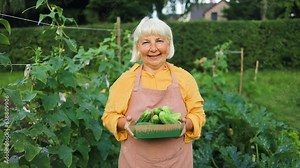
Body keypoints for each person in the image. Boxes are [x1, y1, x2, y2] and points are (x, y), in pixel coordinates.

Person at [101, 17, 206, 168]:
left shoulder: (184, 78)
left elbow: (198, 113)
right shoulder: (126, 80)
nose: (153, 48)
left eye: (159, 41)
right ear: (138, 48)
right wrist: (125, 124)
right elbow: (109, 116)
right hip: (135, 162)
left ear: (168, 45)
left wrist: (186, 124)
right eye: (145, 42)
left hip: (178, 161)